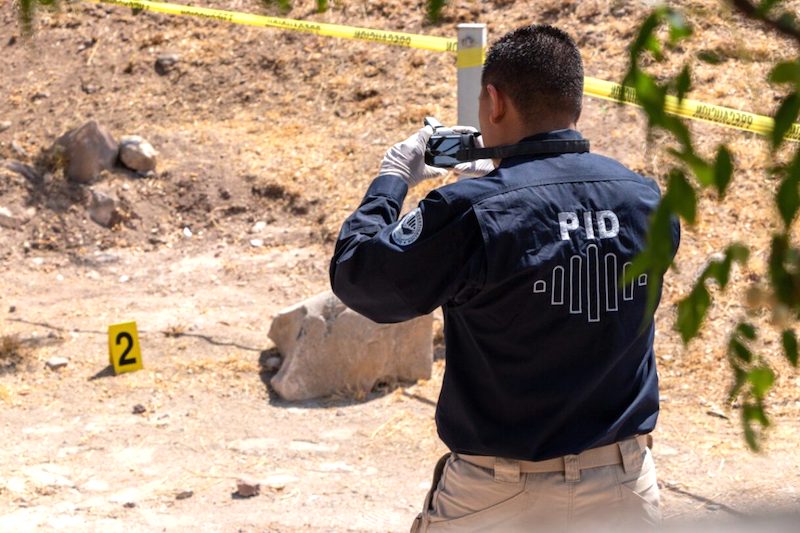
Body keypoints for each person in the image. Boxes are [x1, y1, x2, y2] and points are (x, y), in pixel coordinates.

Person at [330, 24, 680, 531]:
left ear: (494, 102)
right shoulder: (648, 200)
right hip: (623, 485)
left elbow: (361, 278)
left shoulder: (472, 211)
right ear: (575, 103)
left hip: (496, 492)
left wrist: (394, 175)